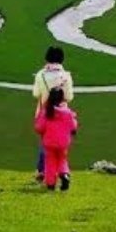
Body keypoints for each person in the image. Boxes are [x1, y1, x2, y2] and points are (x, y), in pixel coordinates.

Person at [32, 46, 74, 181]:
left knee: (45, 143)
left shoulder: (40, 75)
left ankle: (43, 171)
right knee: (61, 146)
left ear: (47, 58)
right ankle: (62, 171)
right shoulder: (66, 76)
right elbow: (69, 97)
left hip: (46, 112)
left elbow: (36, 93)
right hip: (63, 115)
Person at [34, 88, 78, 191]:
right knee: (62, 159)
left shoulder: (47, 112)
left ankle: (51, 183)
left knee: (50, 162)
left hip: (49, 142)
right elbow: (73, 126)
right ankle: (64, 174)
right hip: (63, 142)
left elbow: (39, 127)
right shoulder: (67, 112)